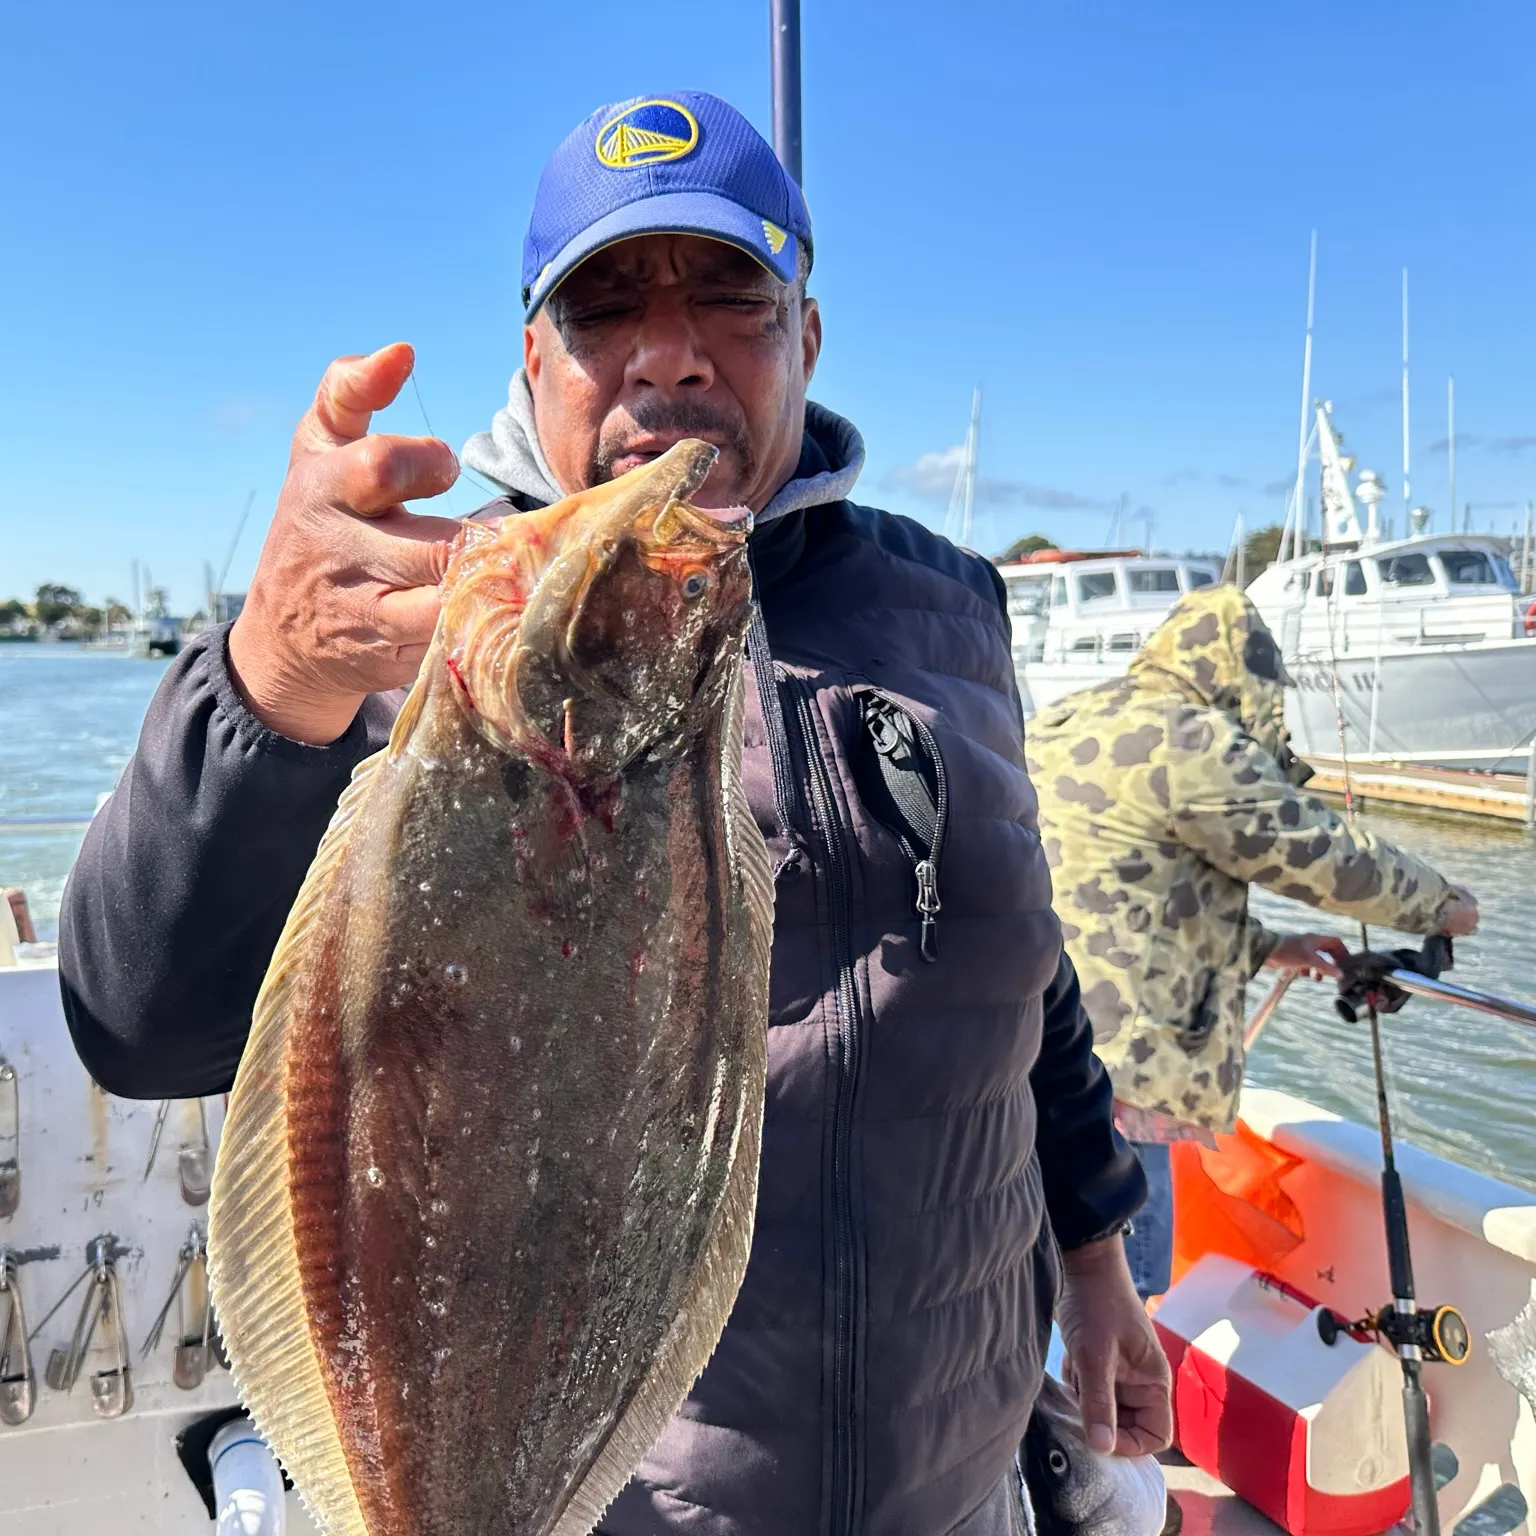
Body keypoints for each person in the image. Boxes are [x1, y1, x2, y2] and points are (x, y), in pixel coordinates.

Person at [58, 92, 1169, 1534]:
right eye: (602, 308)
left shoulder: (953, 604)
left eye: (731, 297)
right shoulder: (410, 627)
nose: (668, 352)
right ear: (535, 360)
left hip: (956, 1474)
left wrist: (1097, 1260)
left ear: (806, 338)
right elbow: (139, 1022)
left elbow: (1024, 971)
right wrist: (269, 680)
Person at [1026, 584, 1479, 1301]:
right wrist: (1443, 906)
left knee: (1040, 1295)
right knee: (1117, 1304)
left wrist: (1271, 947)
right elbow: (1320, 855)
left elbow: (1124, 892)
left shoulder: (1066, 721)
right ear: (1245, 674)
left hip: (1037, 1057)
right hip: (1122, 1081)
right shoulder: (1188, 737)